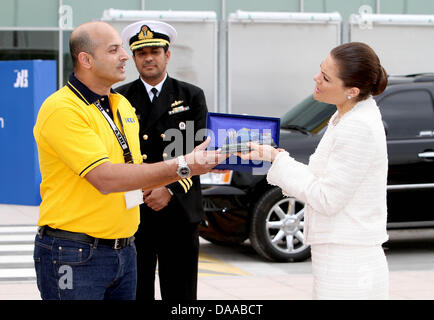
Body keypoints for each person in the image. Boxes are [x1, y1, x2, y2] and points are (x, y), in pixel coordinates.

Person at [32, 21, 225, 300]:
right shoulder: (63, 109)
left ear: (167, 55)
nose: (126, 56)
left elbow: (134, 165)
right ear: (86, 59)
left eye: (124, 50)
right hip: (78, 250)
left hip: (127, 244)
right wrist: (185, 166)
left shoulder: (120, 105)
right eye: (115, 50)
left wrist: (171, 185)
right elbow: (105, 177)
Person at [238, 42, 389, 300]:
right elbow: (322, 179)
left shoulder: (357, 127)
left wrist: (278, 162)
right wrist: (273, 156)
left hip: (349, 263)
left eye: (326, 77)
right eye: (320, 69)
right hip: (339, 254)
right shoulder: (344, 116)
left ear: (351, 90)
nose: (316, 78)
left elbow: (327, 198)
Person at [116, 20, 207, 300]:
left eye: (155, 51)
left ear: (168, 55)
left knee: (180, 293)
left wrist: (168, 189)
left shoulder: (191, 96)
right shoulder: (119, 98)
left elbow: (198, 154)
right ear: (133, 59)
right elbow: (117, 156)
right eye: (141, 53)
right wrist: (144, 189)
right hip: (136, 211)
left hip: (179, 209)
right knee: (136, 291)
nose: (149, 58)